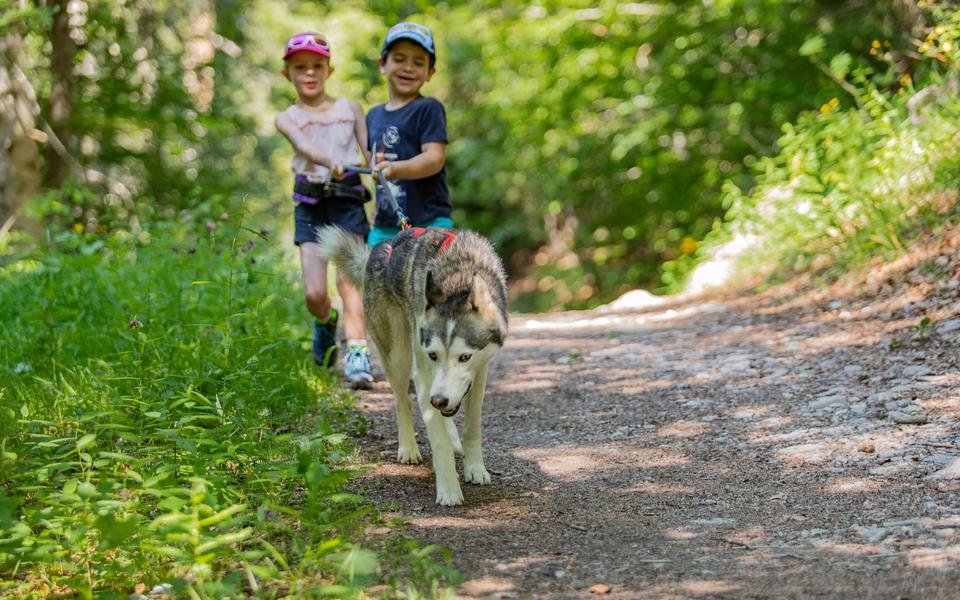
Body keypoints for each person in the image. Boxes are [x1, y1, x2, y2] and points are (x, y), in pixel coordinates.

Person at [275, 31, 374, 389]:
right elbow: (304, 146)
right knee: (315, 293)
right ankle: (325, 323)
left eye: (317, 66)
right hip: (310, 205)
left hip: (348, 201)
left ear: (329, 69)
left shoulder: (350, 109)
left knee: (351, 284)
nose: (310, 73)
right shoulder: (287, 117)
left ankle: (358, 356)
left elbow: (370, 154)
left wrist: (382, 177)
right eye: (300, 67)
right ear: (287, 73)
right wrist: (329, 159)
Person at [366, 22, 451, 246]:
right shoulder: (372, 116)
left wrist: (397, 169)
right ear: (383, 64)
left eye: (418, 62)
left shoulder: (429, 109)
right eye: (399, 59)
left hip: (430, 224)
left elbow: (434, 159)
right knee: (378, 280)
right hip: (384, 226)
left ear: (430, 72)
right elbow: (371, 164)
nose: (408, 68)